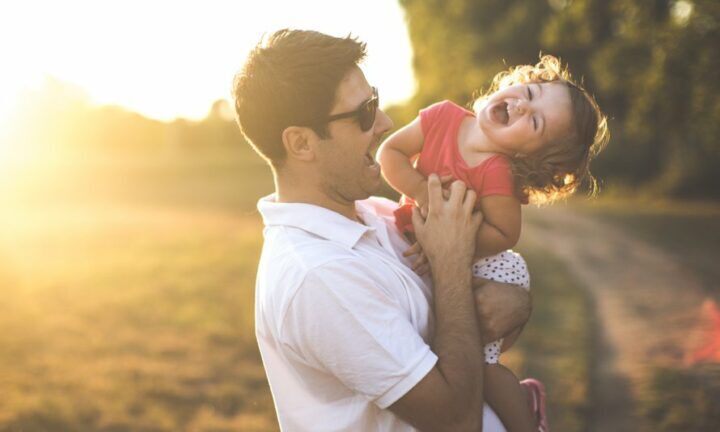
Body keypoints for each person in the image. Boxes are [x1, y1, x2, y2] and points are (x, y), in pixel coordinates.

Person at [232, 29, 532, 431]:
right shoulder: (318, 277)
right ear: (301, 143)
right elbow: (456, 421)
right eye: (365, 112)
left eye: (375, 99)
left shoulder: (378, 215)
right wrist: (451, 264)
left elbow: (461, 313)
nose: (385, 123)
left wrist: (516, 301)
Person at [377, 55, 609, 431]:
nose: (521, 105)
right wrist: (424, 195)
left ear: (528, 155)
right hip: (444, 251)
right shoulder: (442, 118)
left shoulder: (495, 170)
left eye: (534, 122)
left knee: (480, 371)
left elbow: (504, 234)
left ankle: (528, 420)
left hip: (490, 267)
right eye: (530, 92)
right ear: (516, 80)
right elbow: (389, 153)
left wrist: (448, 241)